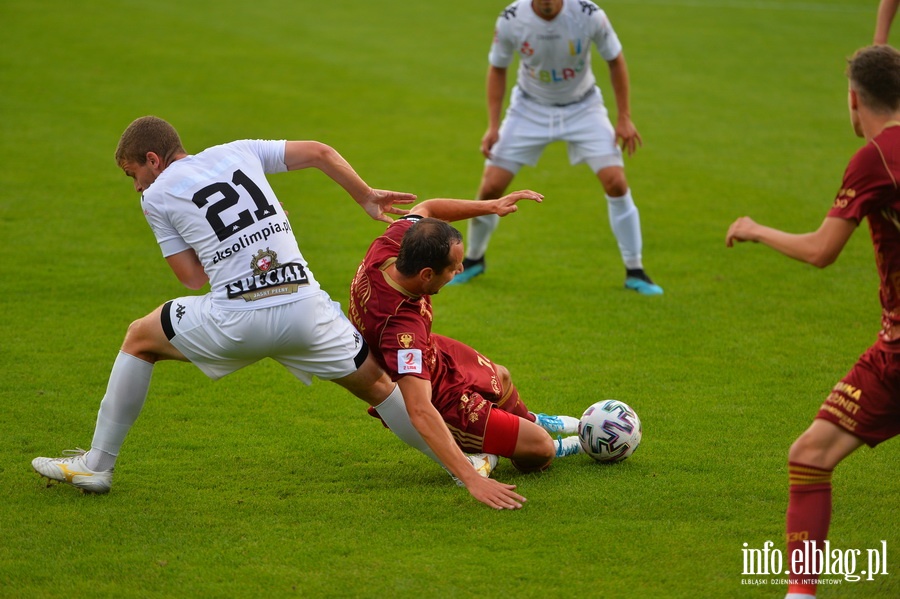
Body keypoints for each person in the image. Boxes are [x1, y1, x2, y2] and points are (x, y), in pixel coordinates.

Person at [32, 116, 527, 510]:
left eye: (132, 175)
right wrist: (364, 194)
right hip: (307, 313)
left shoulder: (158, 195)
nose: (137, 187)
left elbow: (191, 279)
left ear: (153, 160)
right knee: (380, 386)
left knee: (140, 337)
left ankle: (98, 464)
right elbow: (319, 152)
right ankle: (463, 465)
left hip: (236, 321)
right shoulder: (238, 150)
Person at [726, 45, 900, 598]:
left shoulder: (876, 156)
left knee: (809, 456)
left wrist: (754, 228)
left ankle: (800, 594)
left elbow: (822, 250)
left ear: (853, 100)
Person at [348, 190, 585, 483]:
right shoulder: (401, 329)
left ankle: (530, 421)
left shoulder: (394, 242)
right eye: (452, 268)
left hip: (435, 352)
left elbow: (430, 207)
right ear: (425, 275)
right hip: (439, 396)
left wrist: (491, 206)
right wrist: (465, 474)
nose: (459, 270)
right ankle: (494, 453)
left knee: (502, 377)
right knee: (540, 449)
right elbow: (419, 409)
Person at [449, 0, 662, 295]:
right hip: (528, 108)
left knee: (615, 182)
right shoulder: (511, 18)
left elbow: (615, 60)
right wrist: (493, 125)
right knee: (491, 187)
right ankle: (473, 260)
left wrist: (624, 116)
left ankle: (635, 270)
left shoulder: (590, 15)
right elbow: (498, 68)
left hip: (584, 107)